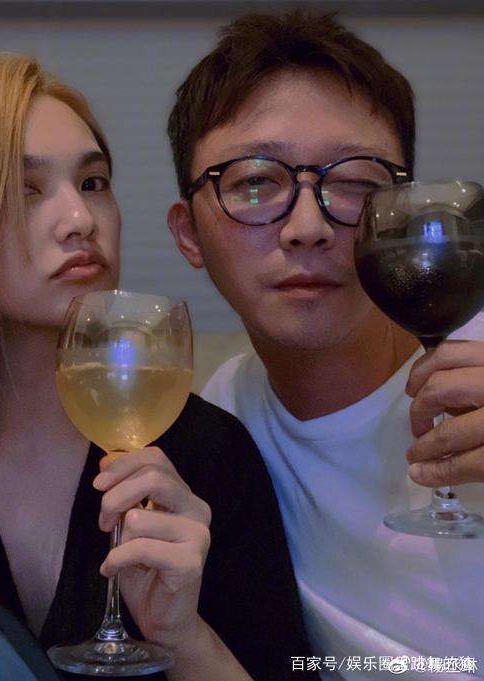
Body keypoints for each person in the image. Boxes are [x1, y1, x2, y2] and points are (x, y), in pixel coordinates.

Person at [0, 55, 312, 680]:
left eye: (92, 183)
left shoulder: (202, 454)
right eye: (24, 190)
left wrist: (182, 634)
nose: (80, 221)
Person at [166, 10, 484, 677]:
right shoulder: (221, 428)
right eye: (256, 181)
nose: (307, 227)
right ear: (188, 234)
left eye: (356, 182)